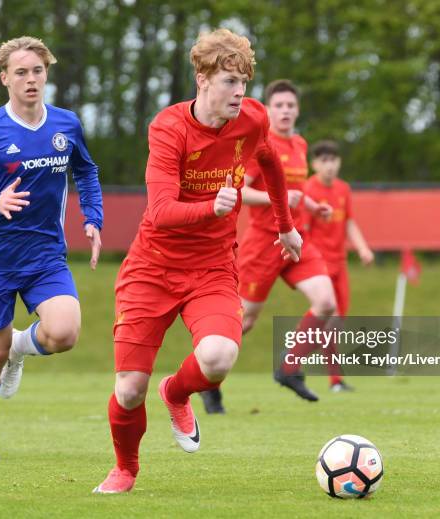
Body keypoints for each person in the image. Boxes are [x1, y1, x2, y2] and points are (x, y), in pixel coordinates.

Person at [93, 29, 302, 494]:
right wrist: (213, 206)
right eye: (230, 80)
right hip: (152, 268)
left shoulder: (252, 118)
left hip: (211, 268)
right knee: (128, 390)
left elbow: (270, 164)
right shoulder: (168, 129)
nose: (240, 91)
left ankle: (176, 392)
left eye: (244, 80)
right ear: (203, 79)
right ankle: (125, 469)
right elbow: (162, 212)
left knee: (219, 356)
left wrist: (285, 225)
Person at [0, 36, 103, 462]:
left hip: (45, 255)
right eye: (21, 72)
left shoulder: (67, 124)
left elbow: (86, 171)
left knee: (65, 332)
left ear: (46, 75)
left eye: (37, 71)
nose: (31, 79)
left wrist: (92, 218)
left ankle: (22, 346)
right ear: (5, 79)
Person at [200, 80, 348, 414]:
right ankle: (207, 383)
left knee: (326, 302)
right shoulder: (258, 144)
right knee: (243, 320)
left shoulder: (299, 143)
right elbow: (238, 192)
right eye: (278, 105)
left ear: (297, 110)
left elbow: (292, 188)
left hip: (294, 239)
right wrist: (276, 198)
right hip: (262, 244)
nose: (285, 111)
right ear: (267, 109)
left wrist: (309, 205)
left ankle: (289, 366)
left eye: (290, 106)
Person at [304, 140, 374, 318]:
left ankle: (313, 345)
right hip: (319, 262)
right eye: (324, 160)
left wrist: (363, 248)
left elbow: (348, 222)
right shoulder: (308, 190)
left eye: (333, 160)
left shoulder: (343, 189)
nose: (330, 165)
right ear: (314, 164)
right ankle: (296, 345)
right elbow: (303, 230)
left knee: (340, 313)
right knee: (329, 310)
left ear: (339, 162)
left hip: (340, 262)